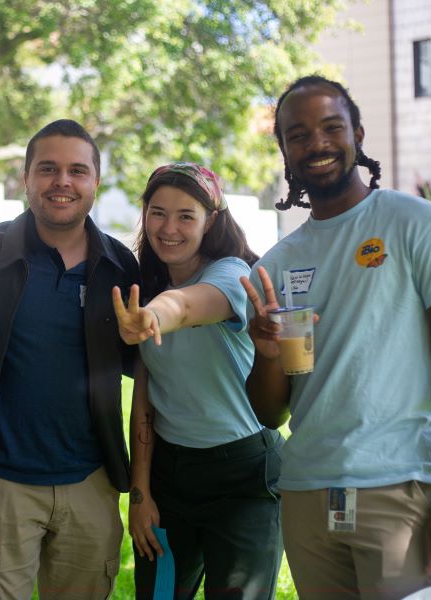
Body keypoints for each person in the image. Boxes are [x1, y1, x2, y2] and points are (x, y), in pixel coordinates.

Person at [241, 75, 431, 599]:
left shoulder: (420, 226)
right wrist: (266, 354)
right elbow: (272, 412)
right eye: (298, 134)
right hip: (307, 494)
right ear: (284, 148)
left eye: (331, 127)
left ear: (357, 131)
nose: (317, 144)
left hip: (400, 489)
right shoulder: (278, 265)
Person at [0, 119, 139, 599]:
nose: (62, 182)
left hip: (91, 484)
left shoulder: (121, 266)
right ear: (26, 178)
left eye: (77, 171)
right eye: (48, 169)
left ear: (96, 181)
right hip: (0, 485)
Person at [111, 162, 283, 600]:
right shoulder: (143, 283)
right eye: (157, 212)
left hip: (244, 477)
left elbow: (184, 308)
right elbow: (146, 399)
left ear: (212, 221)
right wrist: (141, 493)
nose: (169, 228)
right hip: (171, 477)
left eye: (186, 215)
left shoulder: (230, 274)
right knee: (161, 595)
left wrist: (151, 317)